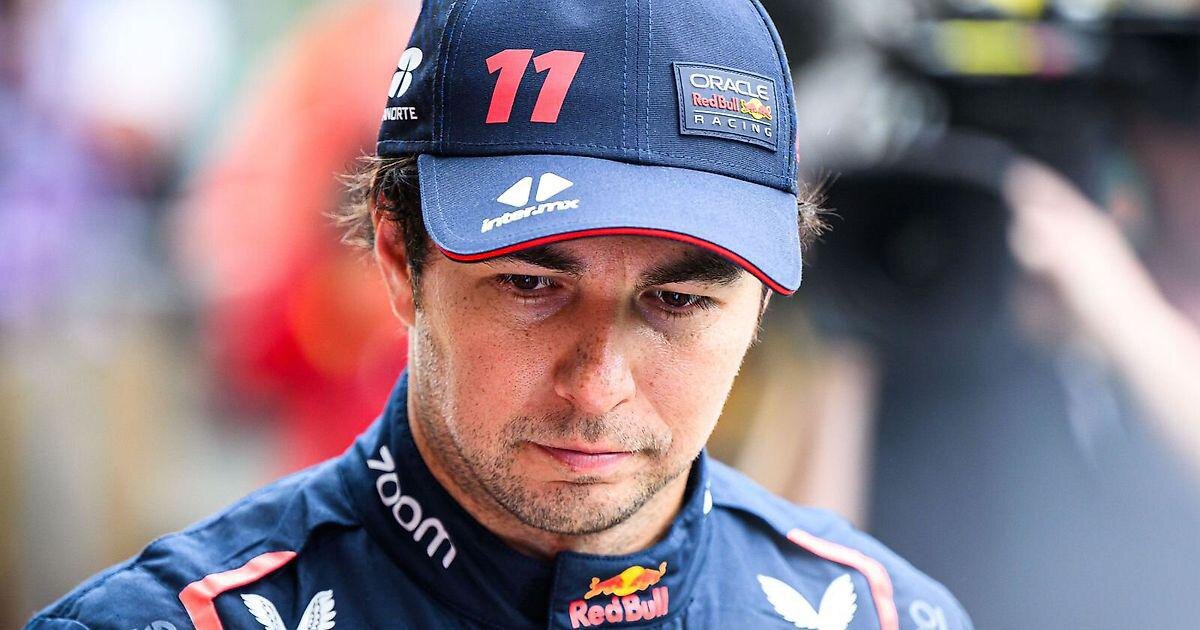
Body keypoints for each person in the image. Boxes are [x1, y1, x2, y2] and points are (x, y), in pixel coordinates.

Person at [27, 0, 971, 628]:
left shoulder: (889, 617)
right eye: (531, 286)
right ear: (397, 256)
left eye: (680, 301)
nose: (598, 386)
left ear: (763, 299)